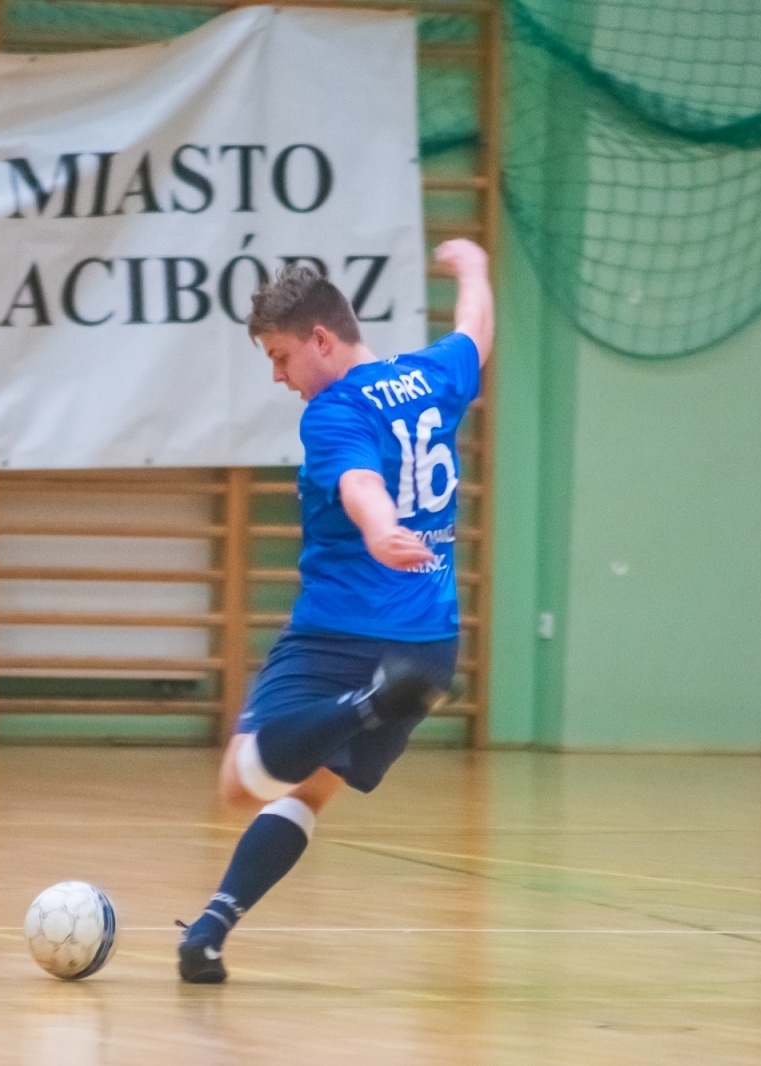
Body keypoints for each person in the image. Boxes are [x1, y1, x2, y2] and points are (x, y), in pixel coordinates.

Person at [175, 240, 493, 982]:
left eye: (281, 357)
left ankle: (363, 704)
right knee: (310, 789)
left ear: (322, 339)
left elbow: (357, 481)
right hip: (427, 642)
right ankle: (214, 928)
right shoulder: (428, 376)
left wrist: (380, 525)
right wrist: (474, 269)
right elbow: (475, 334)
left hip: (338, 632)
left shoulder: (333, 410)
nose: (280, 377)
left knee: (240, 782)